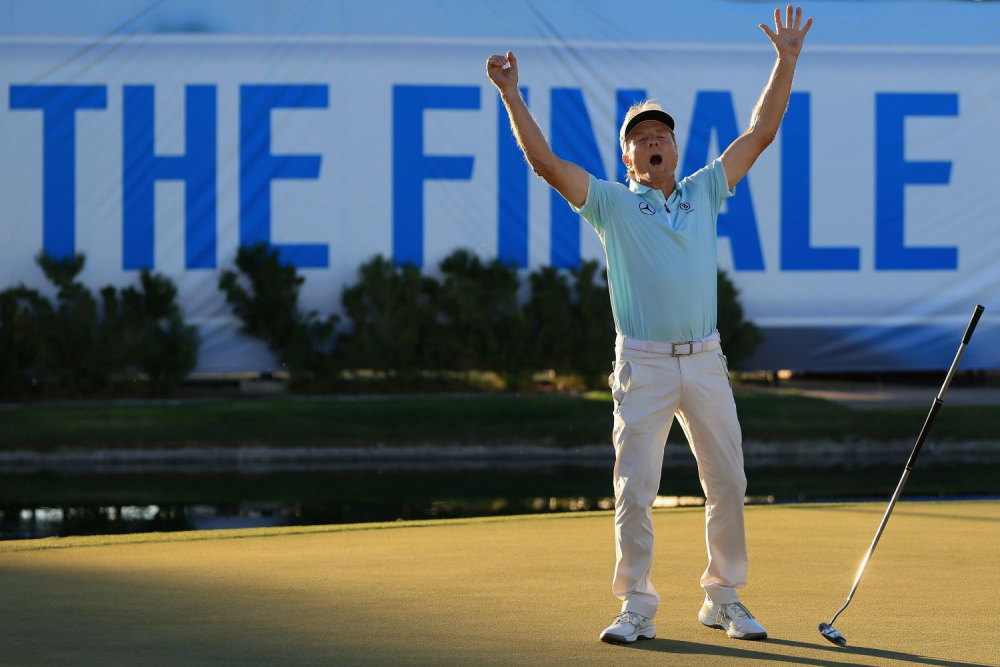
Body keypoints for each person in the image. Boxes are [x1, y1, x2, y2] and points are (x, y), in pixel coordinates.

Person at [486, 4, 813, 645]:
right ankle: (636, 604)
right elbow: (547, 164)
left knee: (729, 481)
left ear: (673, 147)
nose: (652, 141)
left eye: (660, 133)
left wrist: (786, 60)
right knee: (636, 489)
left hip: (706, 360)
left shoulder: (704, 190)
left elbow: (760, 133)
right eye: (639, 137)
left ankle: (723, 598)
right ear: (628, 157)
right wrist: (511, 95)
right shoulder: (609, 202)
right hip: (644, 363)